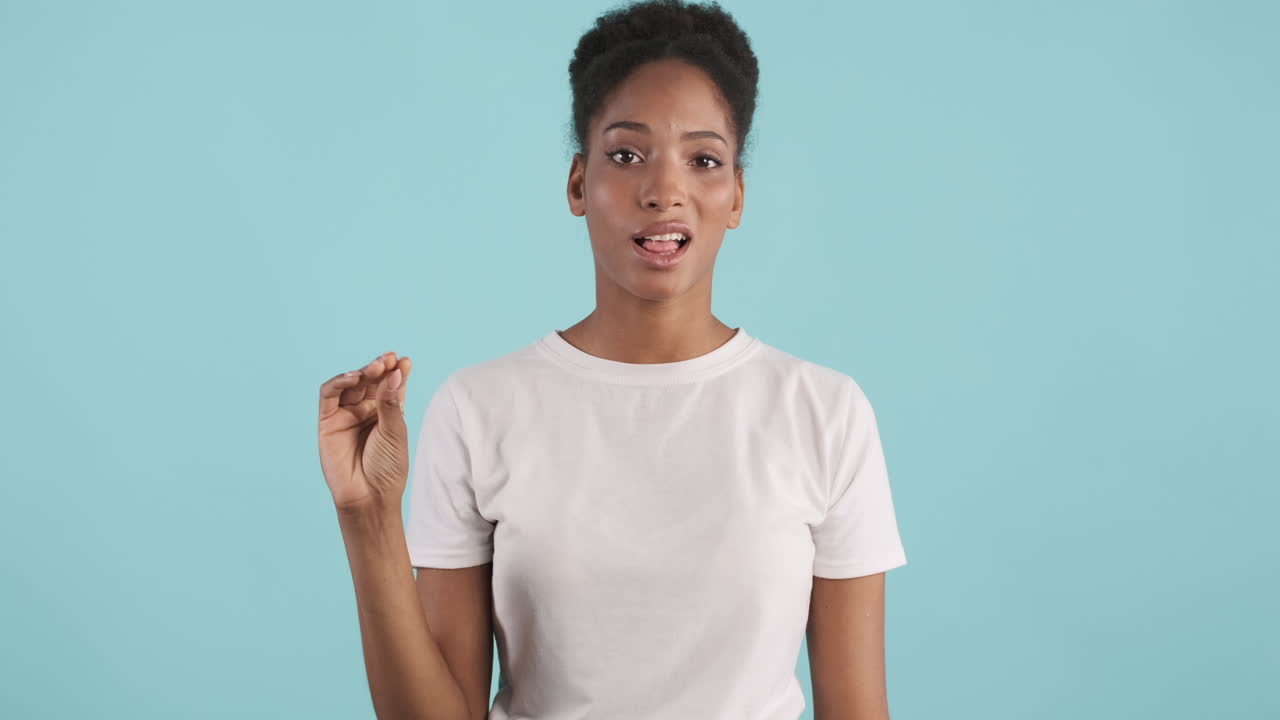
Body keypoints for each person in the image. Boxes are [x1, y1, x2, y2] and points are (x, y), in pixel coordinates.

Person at [317, 1, 908, 718]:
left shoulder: (825, 412)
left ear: (737, 197)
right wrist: (369, 518)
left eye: (704, 160)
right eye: (627, 155)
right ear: (577, 183)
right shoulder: (480, 408)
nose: (665, 191)